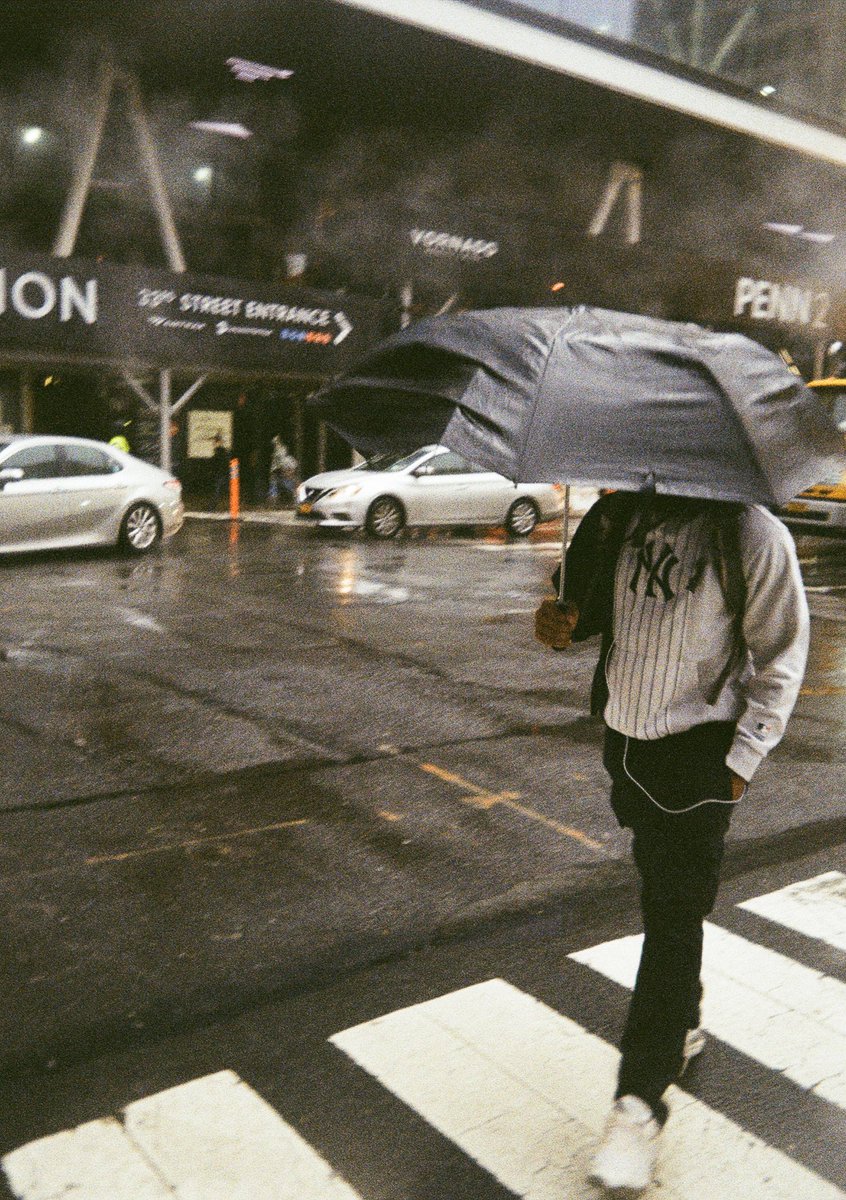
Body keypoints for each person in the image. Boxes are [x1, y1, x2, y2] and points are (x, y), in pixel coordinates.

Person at [534, 489, 809, 1195]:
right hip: (626, 745)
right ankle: (682, 1019)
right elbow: (587, 613)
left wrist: (741, 761)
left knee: (672, 917)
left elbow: (783, 652)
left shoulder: (751, 533)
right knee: (663, 892)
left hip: (701, 754)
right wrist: (558, 623)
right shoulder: (621, 515)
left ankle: (638, 1107)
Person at [267, 435, 299, 506]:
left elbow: (293, 468)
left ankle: (297, 502)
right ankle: (272, 502)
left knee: (292, 488)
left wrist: (289, 473)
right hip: (278, 474)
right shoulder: (276, 456)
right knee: (273, 487)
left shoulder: (288, 458)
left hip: (285, 476)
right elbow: (275, 468)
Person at [211, 433, 230, 506]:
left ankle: (213, 505)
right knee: (219, 490)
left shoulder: (220, 451)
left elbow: (219, 462)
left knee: (217, 490)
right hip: (222, 473)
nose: (213, 443)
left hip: (220, 473)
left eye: (215, 441)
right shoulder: (223, 451)